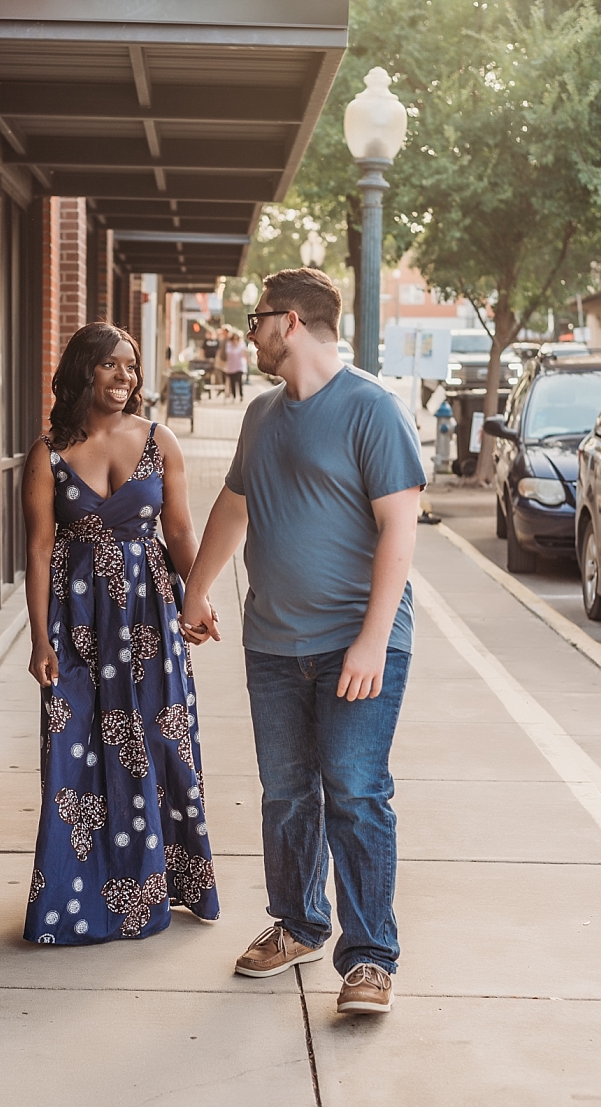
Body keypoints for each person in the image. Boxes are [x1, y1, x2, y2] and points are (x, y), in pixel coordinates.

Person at [182, 266, 425, 1016]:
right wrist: (197, 586)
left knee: (354, 791)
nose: (246, 332)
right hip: (274, 644)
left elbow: (401, 529)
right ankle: (298, 922)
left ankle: (370, 957)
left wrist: (371, 640)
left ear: (288, 321)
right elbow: (233, 504)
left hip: (359, 641)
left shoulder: (371, 409)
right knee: (287, 793)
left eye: (255, 318)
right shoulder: (262, 415)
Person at [22, 323, 220, 945]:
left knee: (164, 746)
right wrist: (38, 640)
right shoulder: (48, 453)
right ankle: (74, 901)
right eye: (110, 366)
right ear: (82, 371)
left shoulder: (160, 442)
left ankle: (166, 884)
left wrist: (199, 596)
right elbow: (38, 548)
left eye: (130, 368)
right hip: (78, 623)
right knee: (75, 756)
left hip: (151, 618)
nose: (123, 378)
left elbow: (182, 534)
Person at [221, 326, 250, 397]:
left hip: (239, 365)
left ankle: (241, 395)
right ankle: (234, 396)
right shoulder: (229, 344)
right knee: (232, 382)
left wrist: (248, 361)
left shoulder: (242, 344)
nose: (235, 340)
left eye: (237, 339)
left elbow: (245, 354)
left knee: (239, 381)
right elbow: (227, 353)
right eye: (234, 339)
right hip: (231, 366)